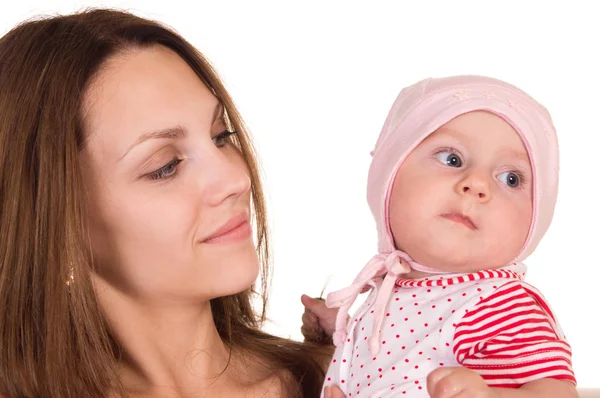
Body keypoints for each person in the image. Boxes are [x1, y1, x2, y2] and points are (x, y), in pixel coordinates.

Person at [0, 8, 331, 397]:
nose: (236, 180)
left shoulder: (354, 377)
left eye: (221, 135)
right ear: (53, 222)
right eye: (165, 166)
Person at [303, 75, 577, 397]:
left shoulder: (498, 305)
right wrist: (341, 334)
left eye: (511, 178)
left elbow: (558, 393)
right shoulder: (391, 294)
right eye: (452, 159)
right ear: (388, 177)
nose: (476, 184)